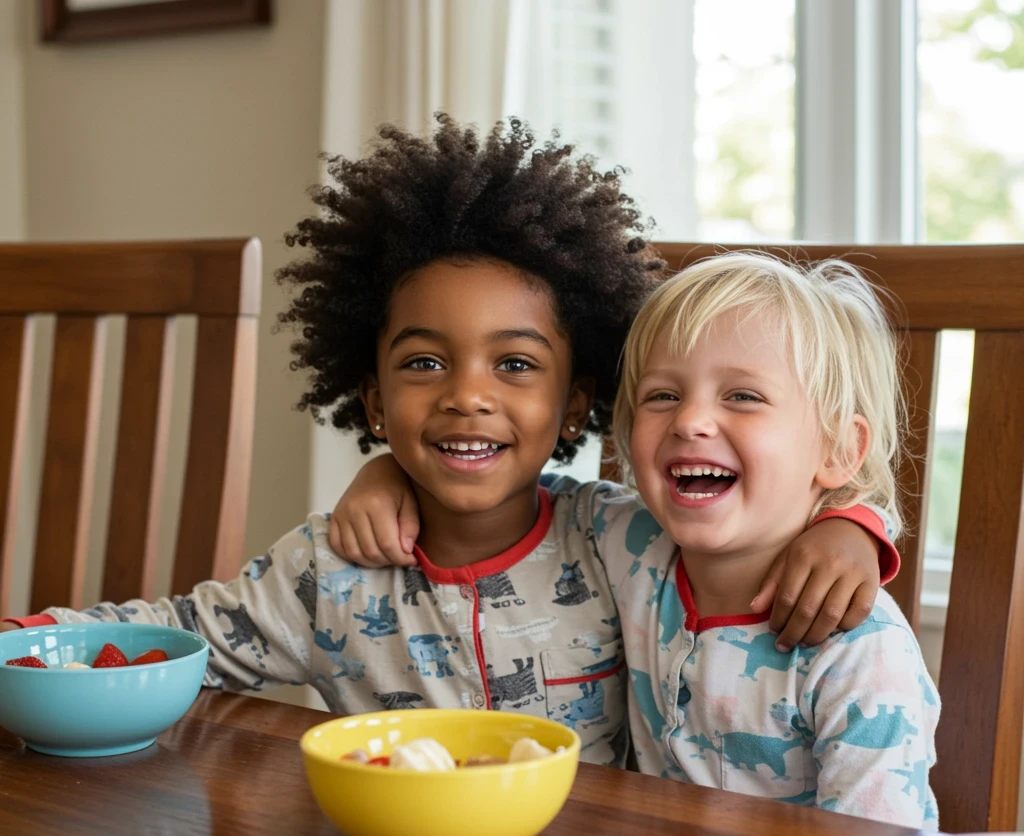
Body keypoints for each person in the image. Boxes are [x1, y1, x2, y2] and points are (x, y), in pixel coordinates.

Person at [1, 118, 893, 771]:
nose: (467, 394)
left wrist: (850, 526)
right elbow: (185, 633)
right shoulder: (324, 571)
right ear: (374, 401)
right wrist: (34, 637)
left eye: (515, 364)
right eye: (424, 363)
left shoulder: (624, 543)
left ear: (576, 401)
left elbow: (742, 528)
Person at [330, 251, 938, 827]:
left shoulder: (860, 652)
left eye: (743, 397)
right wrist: (387, 471)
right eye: (663, 396)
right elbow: (495, 486)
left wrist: (856, 524)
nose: (690, 420)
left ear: (837, 450)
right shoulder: (626, 543)